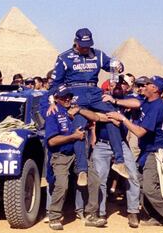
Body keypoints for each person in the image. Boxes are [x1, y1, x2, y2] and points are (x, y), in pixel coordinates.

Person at [49, 27, 127, 183]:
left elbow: (113, 65)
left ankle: (119, 161)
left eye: (88, 45)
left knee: (113, 117)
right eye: (83, 45)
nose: (86, 48)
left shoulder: (97, 54)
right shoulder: (64, 58)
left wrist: (119, 66)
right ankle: (82, 170)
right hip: (76, 92)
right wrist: (52, 101)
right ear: (76, 42)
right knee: (78, 128)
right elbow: (54, 83)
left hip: (94, 91)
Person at [107, 76, 163, 228]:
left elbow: (140, 132)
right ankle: (155, 216)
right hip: (145, 150)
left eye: (147, 85)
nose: (142, 87)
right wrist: (114, 101)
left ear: (155, 89)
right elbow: (135, 102)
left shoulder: (157, 107)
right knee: (138, 181)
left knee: (150, 188)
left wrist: (122, 119)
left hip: (155, 152)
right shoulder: (147, 101)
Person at [45, 85, 106, 230]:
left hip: (80, 155)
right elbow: (51, 141)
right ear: (56, 98)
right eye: (63, 97)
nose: (67, 99)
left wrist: (80, 110)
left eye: (69, 96)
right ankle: (54, 216)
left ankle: (91, 214)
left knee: (95, 180)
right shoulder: (53, 113)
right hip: (61, 155)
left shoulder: (75, 109)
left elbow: (96, 117)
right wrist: (73, 137)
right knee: (62, 184)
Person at [89, 86, 141, 228]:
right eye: (111, 87)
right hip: (102, 144)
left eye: (120, 86)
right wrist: (108, 119)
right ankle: (101, 212)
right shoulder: (98, 102)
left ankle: (133, 212)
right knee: (100, 179)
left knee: (132, 176)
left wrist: (115, 101)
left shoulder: (123, 101)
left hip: (122, 144)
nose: (116, 88)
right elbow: (92, 119)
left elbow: (137, 103)